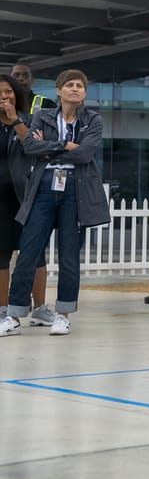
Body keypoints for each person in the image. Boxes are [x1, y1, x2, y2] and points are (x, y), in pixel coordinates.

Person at [0, 70, 110, 337]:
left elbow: (85, 153)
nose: (75, 89)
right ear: (58, 91)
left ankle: (62, 315)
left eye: (80, 86)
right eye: (69, 85)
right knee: (28, 251)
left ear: (84, 93)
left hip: (75, 187)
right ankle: (13, 315)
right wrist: (65, 145)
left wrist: (50, 147)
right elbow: (29, 146)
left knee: (69, 255)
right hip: (43, 185)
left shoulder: (92, 119)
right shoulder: (43, 115)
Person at [5, 65, 53, 324]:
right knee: (3, 253)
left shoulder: (42, 104)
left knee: (36, 252)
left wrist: (17, 122)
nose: (20, 78)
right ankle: (5, 309)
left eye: (24, 75)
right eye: (16, 75)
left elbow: (43, 146)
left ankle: (40, 308)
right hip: (4, 194)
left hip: (30, 191)